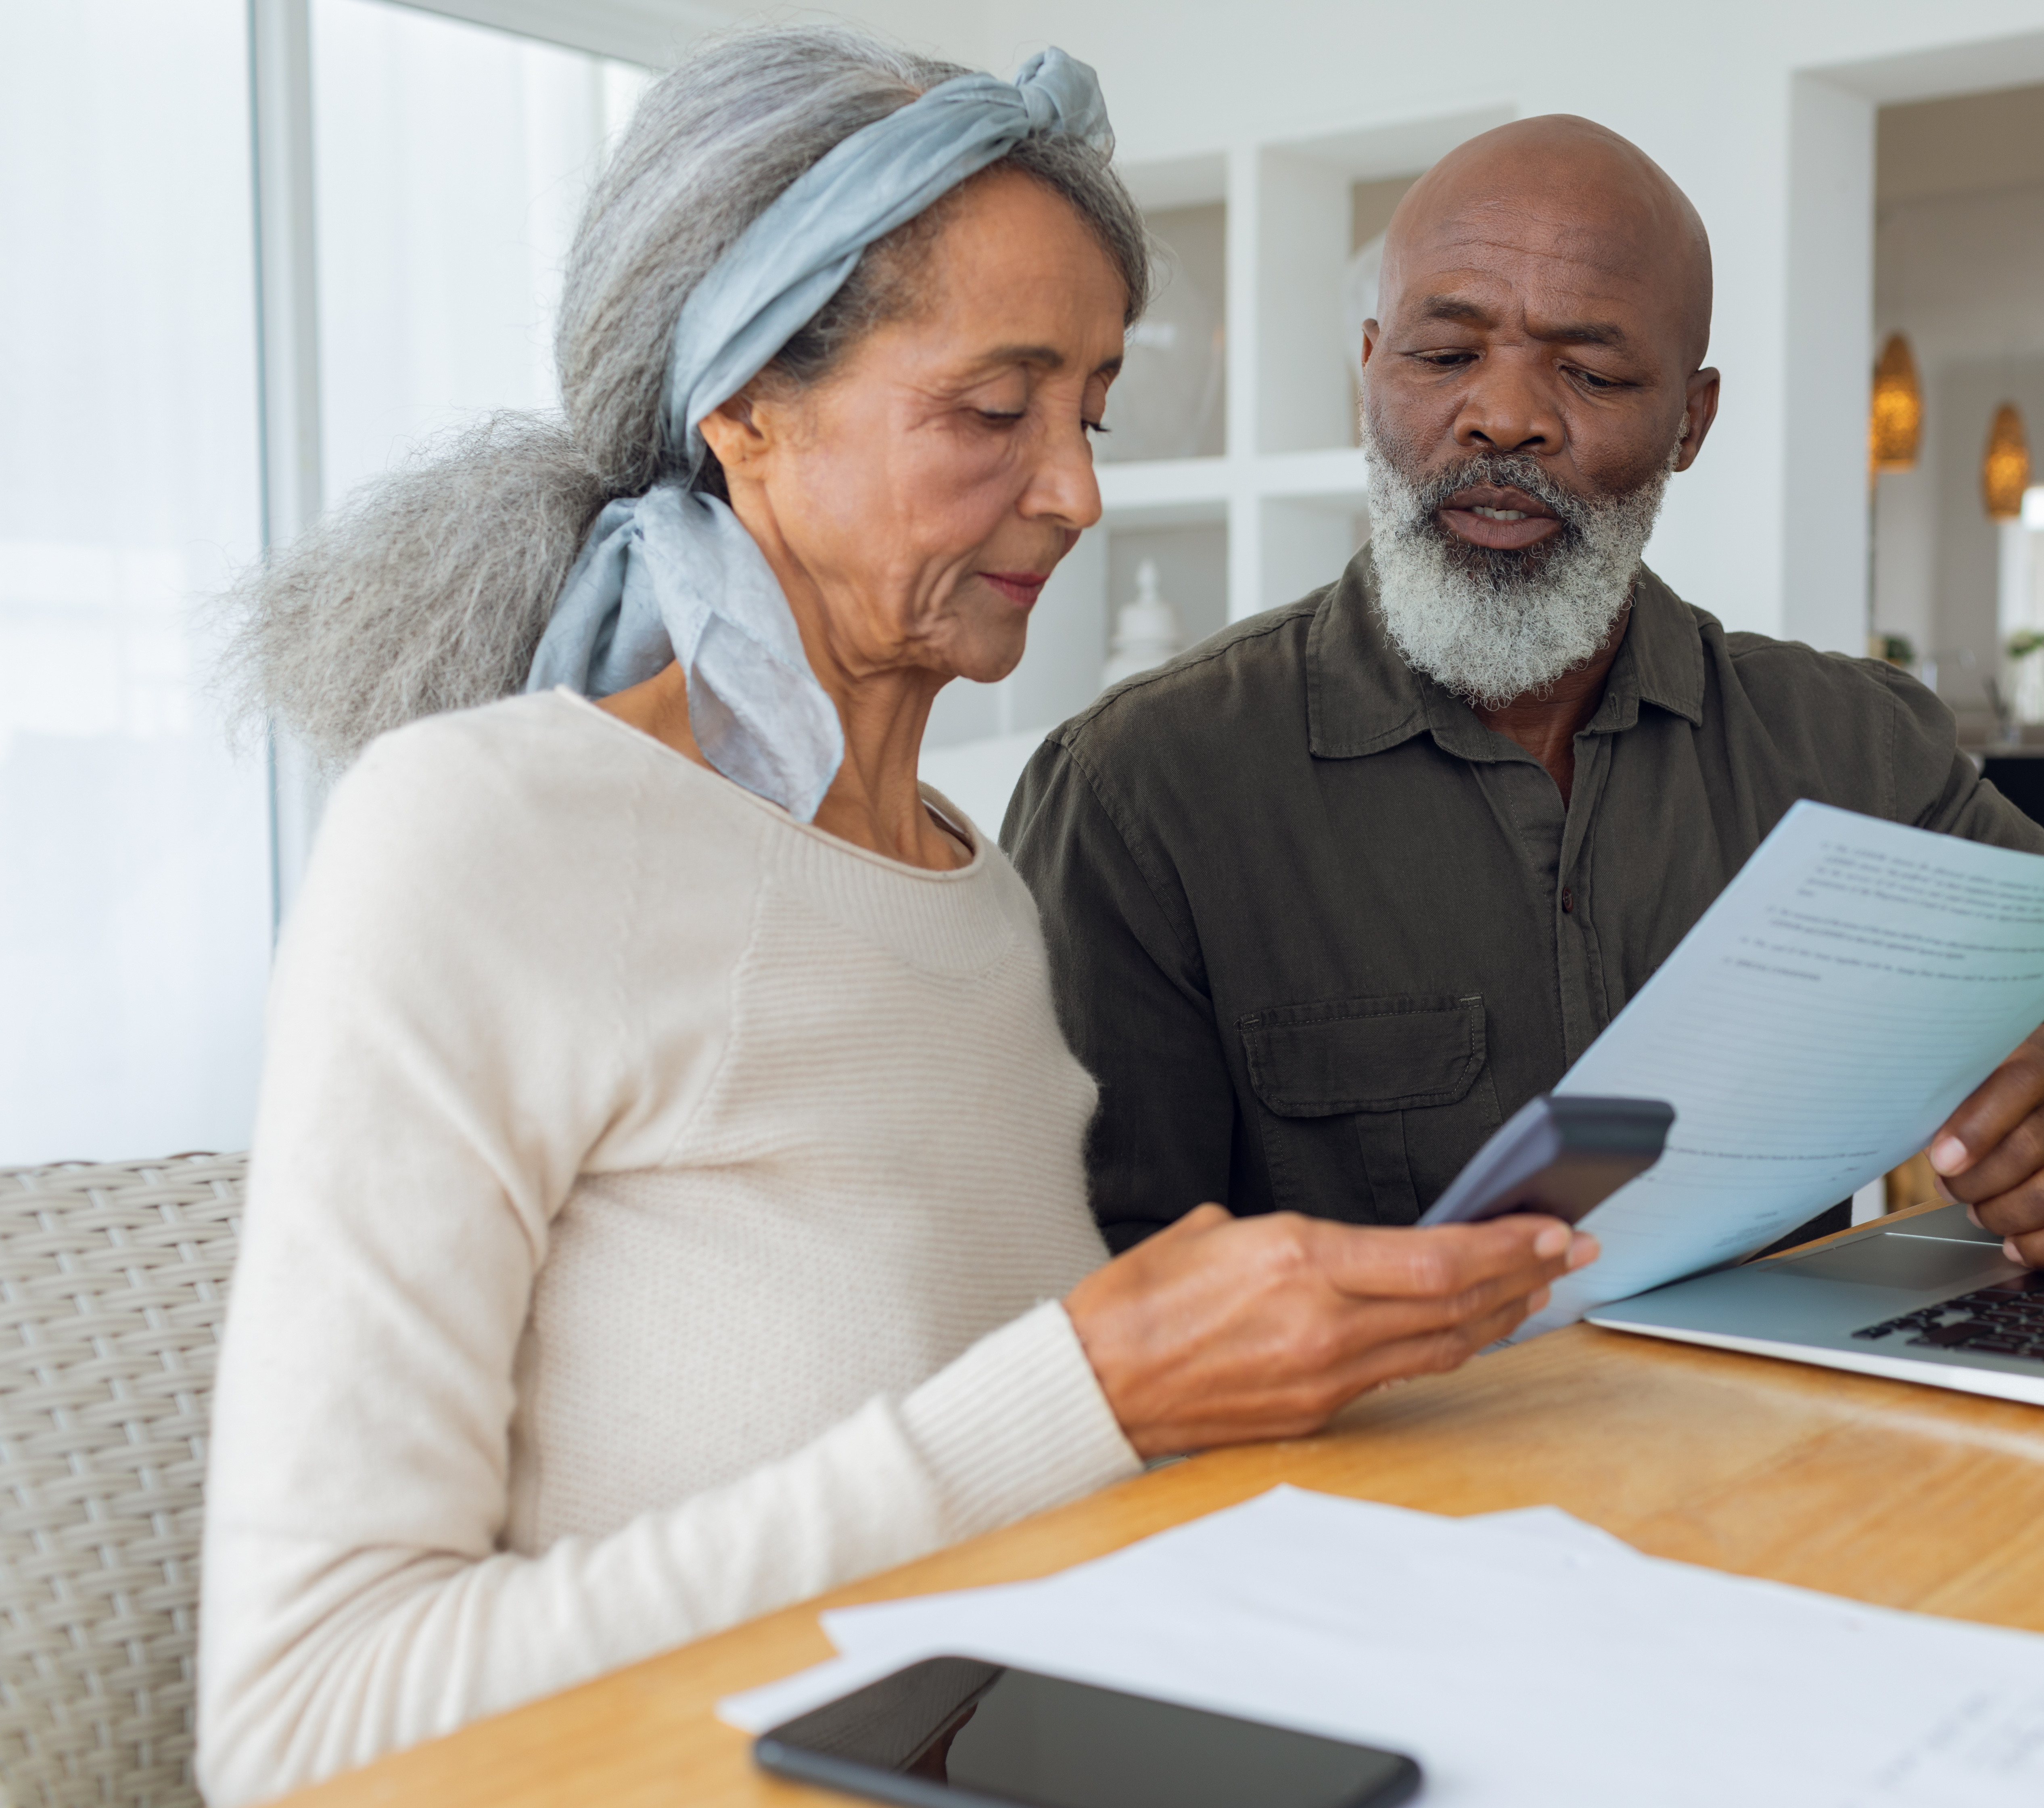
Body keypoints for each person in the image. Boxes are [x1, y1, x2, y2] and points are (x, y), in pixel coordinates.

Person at [196, 34, 1589, 1805]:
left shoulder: (972, 883)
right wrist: (1093, 1389)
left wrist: (1270, 1372)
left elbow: (1028, 1507)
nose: (1078, 493)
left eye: (1089, 413)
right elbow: (303, 1720)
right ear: (745, 404)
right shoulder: (480, 837)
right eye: (994, 411)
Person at [1004, 116, 2044, 1271]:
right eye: (1445, 353)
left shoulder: (1849, 749)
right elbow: (1079, 1295)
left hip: (1792, 1478)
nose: (1502, 417)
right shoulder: (1145, 791)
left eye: (1593, 374)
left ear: (1693, 419)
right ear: (1370, 369)